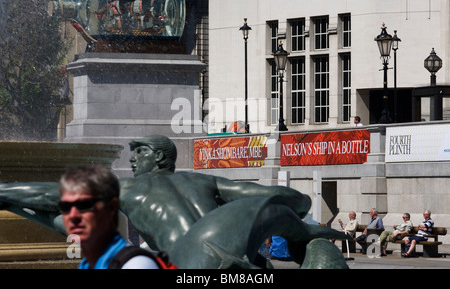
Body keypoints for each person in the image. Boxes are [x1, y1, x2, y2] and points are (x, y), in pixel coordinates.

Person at [0, 135, 350, 269]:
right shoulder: (207, 181)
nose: (132, 159)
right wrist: (300, 219)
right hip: (214, 255)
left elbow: (50, 195)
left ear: (157, 156)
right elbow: (290, 199)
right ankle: (305, 235)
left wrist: (8, 194)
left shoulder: (128, 189)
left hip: (196, 262)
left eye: (138, 152)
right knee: (311, 240)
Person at [58, 165, 160, 269]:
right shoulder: (86, 265)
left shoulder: (136, 265)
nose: (73, 215)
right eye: (65, 207)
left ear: (111, 207)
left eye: (84, 205)